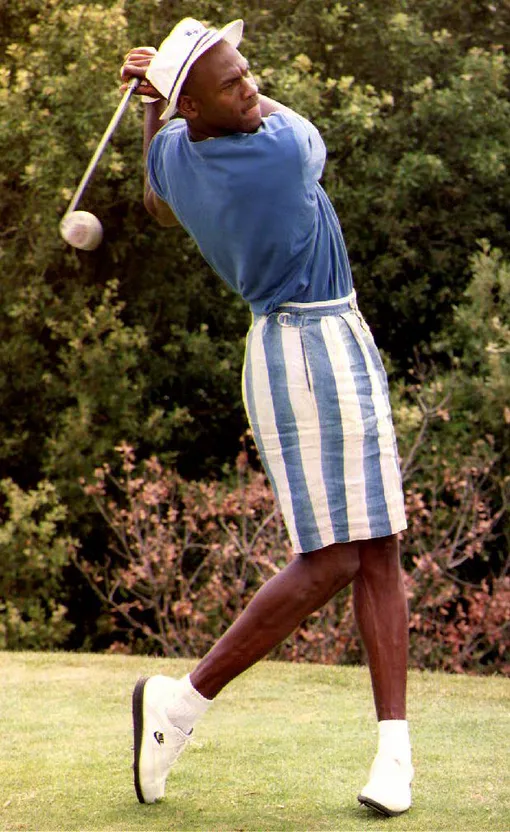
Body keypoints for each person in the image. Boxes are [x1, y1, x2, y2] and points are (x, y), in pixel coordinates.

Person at [121, 15, 414, 818]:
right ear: (197, 109)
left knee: (379, 545)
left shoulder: (176, 152)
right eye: (232, 83)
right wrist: (166, 89)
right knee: (333, 561)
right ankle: (180, 707)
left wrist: (156, 101)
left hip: (331, 334)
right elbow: (298, 133)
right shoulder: (281, 154)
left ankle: (395, 754)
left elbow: (155, 199)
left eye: (251, 71)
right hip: (306, 349)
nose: (251, 89)